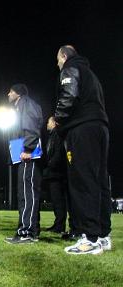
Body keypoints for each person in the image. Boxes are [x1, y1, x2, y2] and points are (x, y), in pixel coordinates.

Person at [54, 45, 111, 255]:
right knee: (100, 181)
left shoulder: (70, 68)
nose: (58, 65)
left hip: (82, 129)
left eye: (58, 60)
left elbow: (69, 95)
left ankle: (89, 238)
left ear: (64, 55)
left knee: (82, 179)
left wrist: (57, 119)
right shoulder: (91, 74)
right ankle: (103, 235)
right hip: (100, 127)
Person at [4, 84, 43, 244]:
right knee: (25, 194)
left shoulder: (26, 104)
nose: (8, 94)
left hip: (29, 155)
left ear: (18, 93)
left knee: (27, 194)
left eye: (11, 91)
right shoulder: (21, 106)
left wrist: (28, 148)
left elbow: (32, 127)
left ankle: (27, 232)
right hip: (24, 155)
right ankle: (30, 230)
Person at [43, 116, 70, 235]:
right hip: (54, 173)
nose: (46, 124)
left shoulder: (57, 135)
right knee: (56, 200)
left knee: (58, 200)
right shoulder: (53, 135)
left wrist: (50, 165)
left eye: (48, 122)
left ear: (54, 123)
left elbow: (59, 153)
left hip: (57, 174)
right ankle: (58, 224)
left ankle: (60, 226)